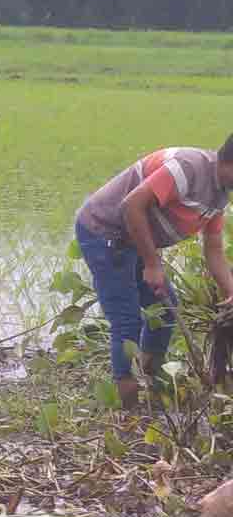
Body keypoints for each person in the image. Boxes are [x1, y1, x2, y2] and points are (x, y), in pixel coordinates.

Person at [74, 136, 233, 410]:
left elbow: (214, 250)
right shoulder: (188, 168)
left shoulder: (219, 195)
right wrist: (151, 264)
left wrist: (231, 293)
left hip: (133, 238)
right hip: (104, 233)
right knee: (127, 323)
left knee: (166, 309)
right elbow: (131, 205)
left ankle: (150, 381)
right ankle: (130, 410)